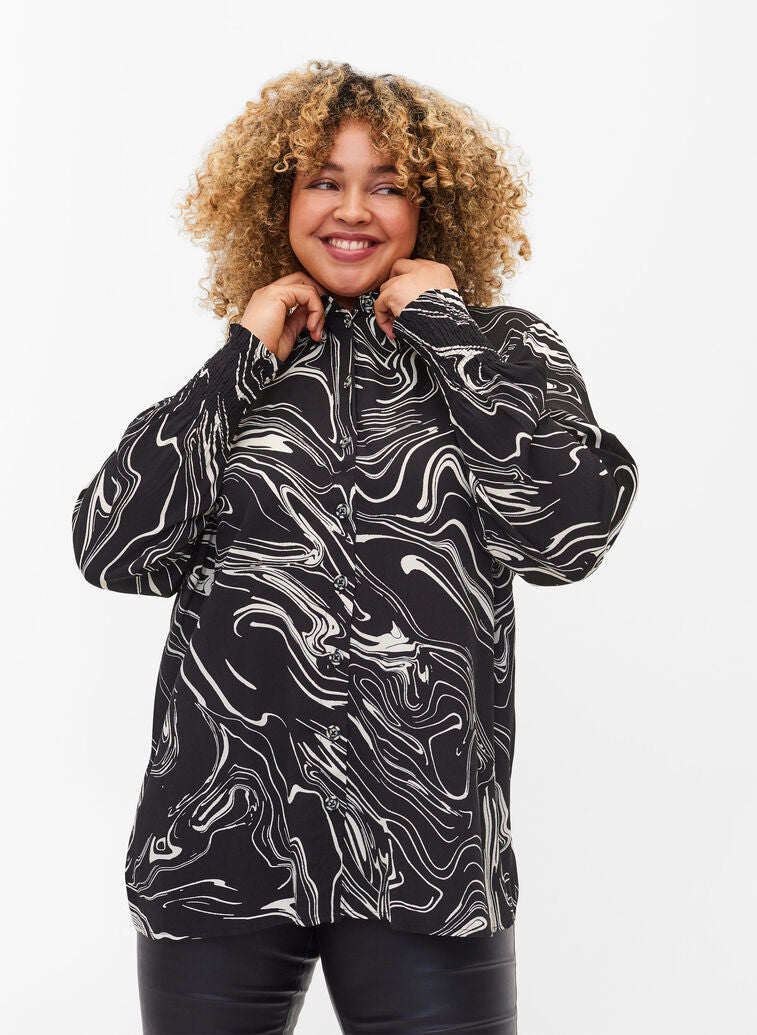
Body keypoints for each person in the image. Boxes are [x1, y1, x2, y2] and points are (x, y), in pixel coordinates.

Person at [71, 60, 639, 1034]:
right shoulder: (250, 367)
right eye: (324, 181)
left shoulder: (503, 352)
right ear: (279, 201)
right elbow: (113, 545)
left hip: (425, 850)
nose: (352, 209)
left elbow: (567, 529)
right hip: (219, 845)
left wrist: (444, 329)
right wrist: (240, 358)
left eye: (387, 185)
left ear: (432, 208)